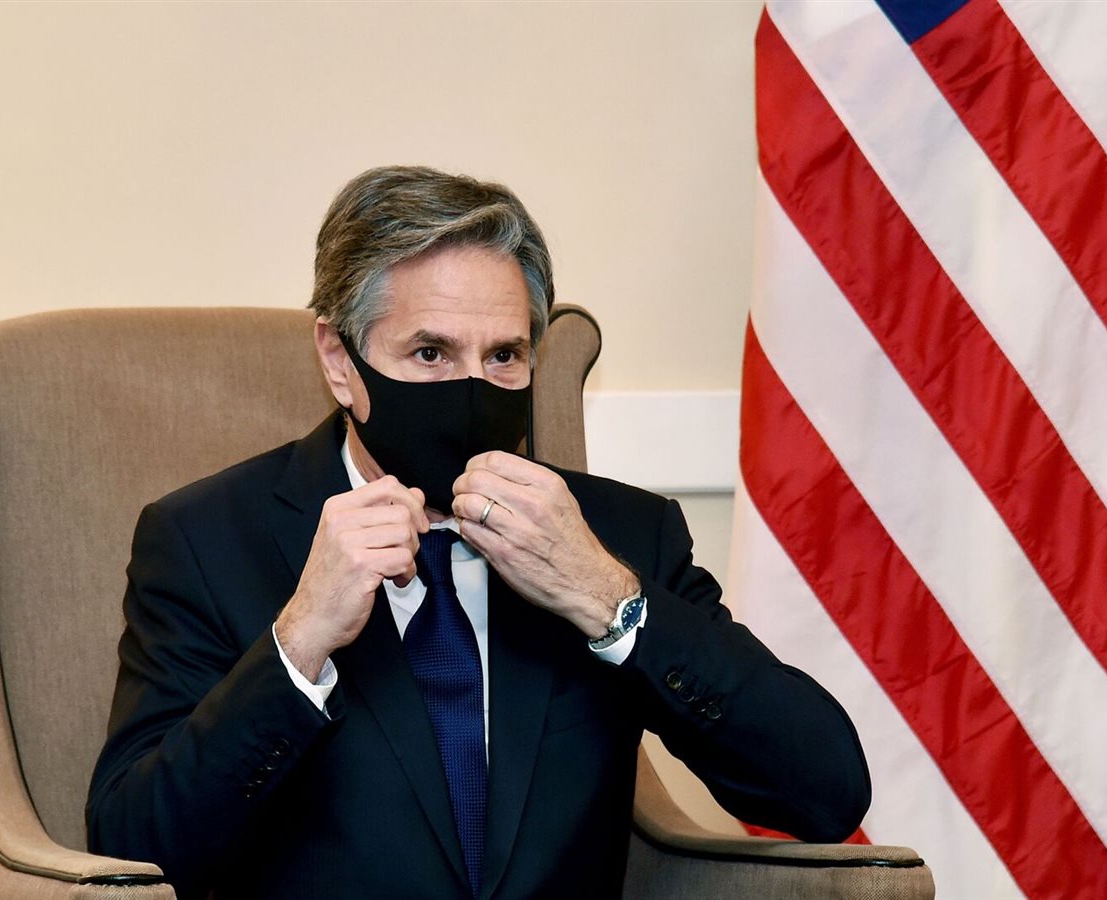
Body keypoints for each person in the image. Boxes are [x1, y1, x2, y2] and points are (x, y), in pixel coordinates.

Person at [86, 166, 870, 899]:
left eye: (503, 356)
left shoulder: (622, 534)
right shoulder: (208, 540)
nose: (471, 388)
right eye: (429, 353)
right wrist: (299, 642)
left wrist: (609, 600)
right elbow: (136, 846)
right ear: (339, 360)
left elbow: (824, 793)